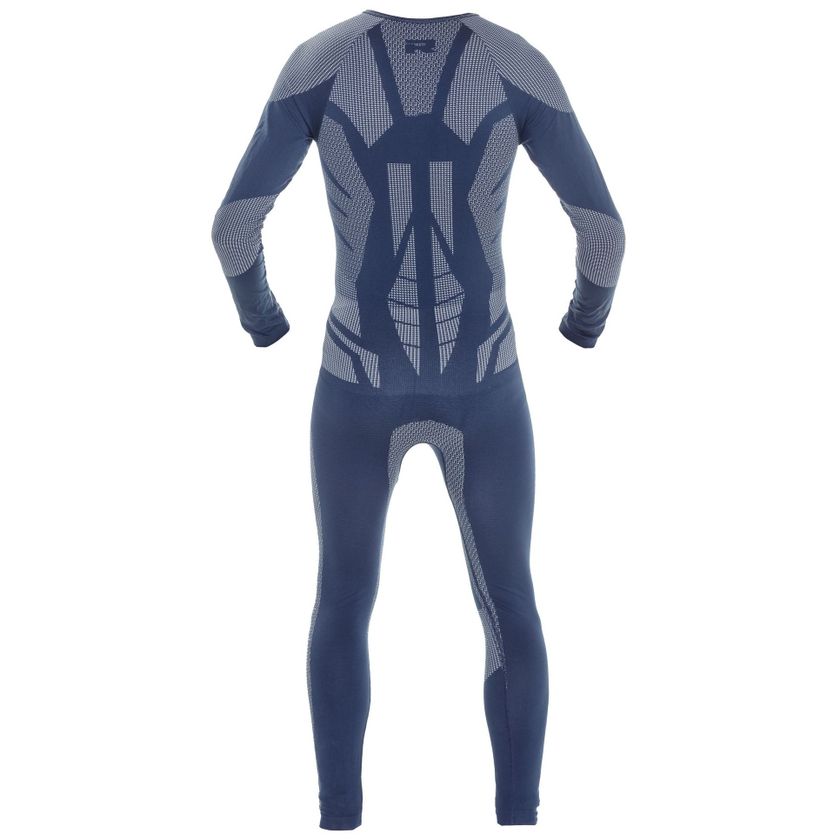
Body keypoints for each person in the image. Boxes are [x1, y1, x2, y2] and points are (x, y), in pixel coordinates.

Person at [211, 9, 625, 830]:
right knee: (509, 604)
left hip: (357, 381)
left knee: (342, 597)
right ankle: (517, 816)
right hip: (484, 382)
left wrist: (264, 322)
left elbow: (232, 230)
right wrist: (584, 324)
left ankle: (340, 817)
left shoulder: (320, 61)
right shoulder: (515, 61)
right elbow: (605, 236)